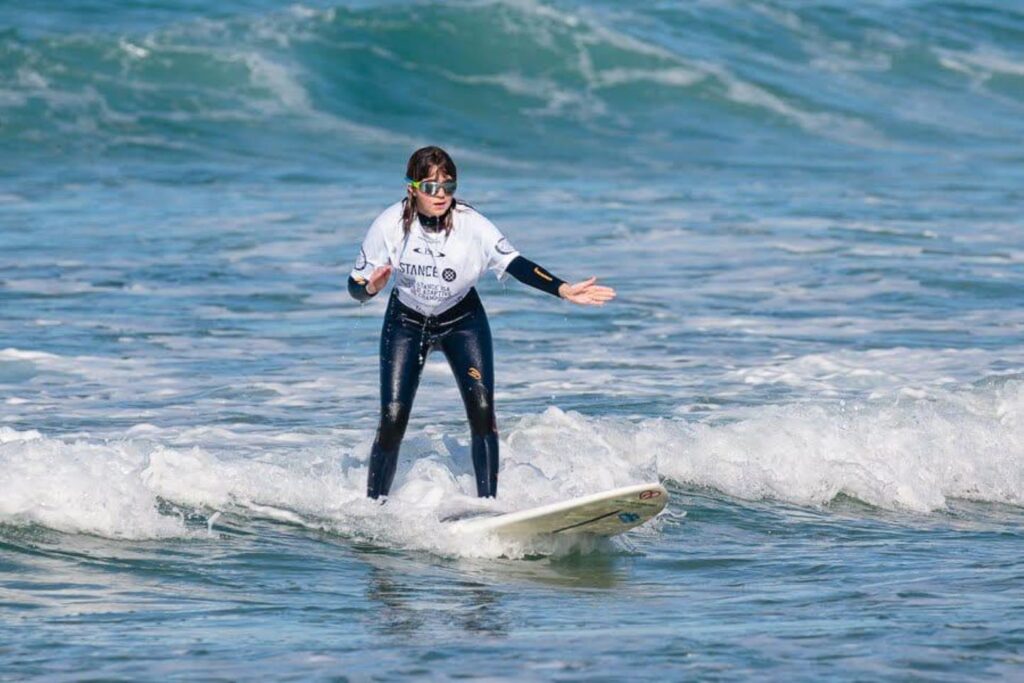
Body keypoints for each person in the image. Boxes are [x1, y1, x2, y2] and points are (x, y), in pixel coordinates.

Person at [348, 146, 615, 499]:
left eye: (448, 185)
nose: (441, 195)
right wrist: (371, 288)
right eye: (430, 187)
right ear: (412, 188)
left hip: (462, 320)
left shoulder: (472, 224)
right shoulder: (389, 225)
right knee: (393, 418)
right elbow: (355, 288)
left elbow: (516, 263)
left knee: (483, 413)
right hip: (406, 322)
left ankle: (488, 503)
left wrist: (561, 289)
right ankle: (373, 507)